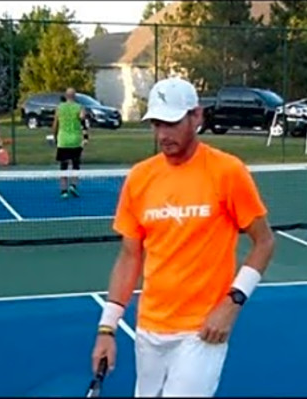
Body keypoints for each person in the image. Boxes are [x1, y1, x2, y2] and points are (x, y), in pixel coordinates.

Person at [91, 77, 276, 397]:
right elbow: (129, 256)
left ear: (197, 117)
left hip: (202, 331)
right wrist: (107, 328)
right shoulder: (140, 178)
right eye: (157, 124)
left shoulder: (227, 171)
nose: (163, 134)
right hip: (149, 330)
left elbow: (265, 242)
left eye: (173, 123)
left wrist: (232, 304)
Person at [52, 88, 89, 199]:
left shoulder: (59, 108)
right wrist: (86, 137)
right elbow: (84, 123)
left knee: (63, 166)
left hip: (63, 140)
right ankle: (73, 185)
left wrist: (54, 137)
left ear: (66, 96)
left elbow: (55, 124)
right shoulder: (79, 107)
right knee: (75, 165)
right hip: (75, 140)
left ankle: (64, 191)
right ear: (75, 96)